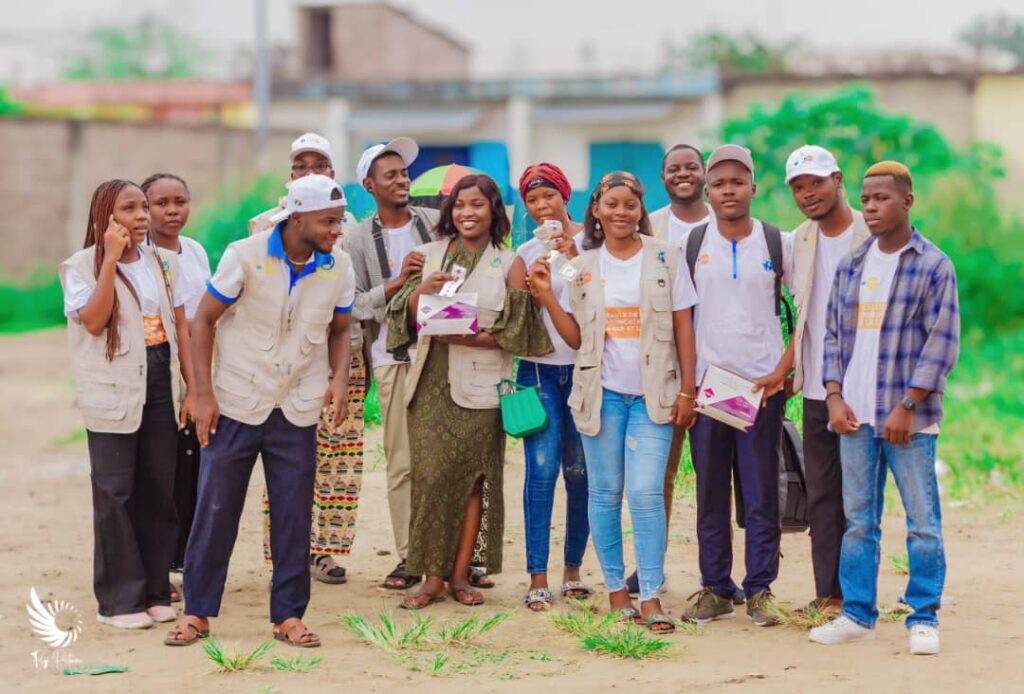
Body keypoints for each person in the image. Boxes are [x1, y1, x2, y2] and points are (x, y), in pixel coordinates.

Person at [164, 174, 354, 648]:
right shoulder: (245, 255)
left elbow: (341, 330)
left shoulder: (339, 266)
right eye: (328, 221)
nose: (336, 230)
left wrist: (337, 380)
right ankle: (197, 613)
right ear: (298, 217)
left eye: (339, 220)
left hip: (297, 405)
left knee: (294, 514)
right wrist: (202, 392)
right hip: (236, 401)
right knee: (216, 508)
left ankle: (288, 616)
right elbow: (202, 319)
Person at [529, 171, 698, 633]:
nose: (621, 211)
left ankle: (651, 594)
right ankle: (616, 592)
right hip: (600, 395)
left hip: (653, 395)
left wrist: (688, 389)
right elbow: (578, 337)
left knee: (645, 493)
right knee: (604, 494)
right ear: (597, 212)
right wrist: (546, 296)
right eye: (611, 204)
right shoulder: (583, 265)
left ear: (640, 210)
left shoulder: (666, 256)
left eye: (630, 204)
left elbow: (684, 324)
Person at [810, 161, 959, 656]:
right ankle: (857, 614)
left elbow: (942, 343)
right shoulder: (852, 265)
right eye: (867, 199)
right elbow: (831, 336)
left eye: (882, 199)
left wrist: (908, 404)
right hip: (853, 416)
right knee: (859, 520)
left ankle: (922, 617)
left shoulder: (933, 265)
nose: (871, 208)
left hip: (907, 420)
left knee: (921, 521)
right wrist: (833, 396)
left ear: (907, 202)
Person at [387, 174, 552, 610]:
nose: (467, 213)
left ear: (493, 210)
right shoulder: (427, 254)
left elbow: (519, 333)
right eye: (460, 205)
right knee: (431, 480)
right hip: (429, 385)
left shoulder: (509, 262)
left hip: (481, 389)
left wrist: (469, 337)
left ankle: (461, 577)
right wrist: (421, 292)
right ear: (449, 211)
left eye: (477, 204)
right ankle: (430, 577)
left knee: (474, 484)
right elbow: (397, 317)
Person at [59, 179, 195, 629]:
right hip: (112, 386)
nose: (142, 216)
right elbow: (95, 322)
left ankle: (156, 591)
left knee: (159, 489)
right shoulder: (79, 266)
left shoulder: (160, 260)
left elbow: (178, 324)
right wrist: (110, 260)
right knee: (116, 493)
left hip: (160, 377)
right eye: (130, 208)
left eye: (143, 207)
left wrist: (192, 388)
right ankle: (119, 601)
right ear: (106, 216)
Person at [681, 145, 794, 627]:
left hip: (760, 390)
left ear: (753, 186)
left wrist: (785, 369)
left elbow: (808, 310)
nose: (729, 191)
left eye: (737, 181)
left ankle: (761, 588)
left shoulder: (778, 242)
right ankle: (715, 588)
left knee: (761, 491)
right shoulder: (690, 244)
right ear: (709, 191)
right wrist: (688, 387)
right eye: (720, 183)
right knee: (710, 493)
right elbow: (681, 318)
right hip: (709, 391)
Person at [252, 133, 362, 586]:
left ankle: (326, 553)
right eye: (301, 165)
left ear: (334, 173)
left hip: (342, 354)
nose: (310, 170)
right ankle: (286, 551)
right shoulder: (263, 225)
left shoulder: (352, 227)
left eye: (320, 163)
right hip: (285, 362)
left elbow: (351, 304)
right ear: (291, 174)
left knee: (340, 456)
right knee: (285, 456)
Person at [341, 138, 439, 590]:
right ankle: (409, 556)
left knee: (447, 461)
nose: (402, 181)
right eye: (391, 175)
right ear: (369, 185)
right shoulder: (356, 239)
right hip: (393, 358)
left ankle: (455, 559)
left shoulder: (437, 224)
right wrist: (399, 283)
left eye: (404, 173)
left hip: (443, 354)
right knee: (401, 463)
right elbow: (353, 304)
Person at [783, 146, 870, 614]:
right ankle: (829, 594)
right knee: (821, 497)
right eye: (798, 186)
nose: (808, 193)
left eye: (816, 182)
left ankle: (860, 595)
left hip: (866, 390)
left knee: (860, 498)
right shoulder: (798, 241)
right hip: (818, 389)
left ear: (838, 179)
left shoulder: (872, 231)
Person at [628, 143, 712, 598]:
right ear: (662, 177)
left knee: (715, 477)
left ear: (704, 173)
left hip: (720, 364)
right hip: (661, 368)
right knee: (657, 474)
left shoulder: (723, 220)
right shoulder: (650, 225)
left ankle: (714, 576)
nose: (683, 174)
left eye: (691, 167)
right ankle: (648, 570)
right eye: (674, 169)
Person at [511, 162, 590, 611]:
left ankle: (573, 571)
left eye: (549, 197)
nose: (543, 207)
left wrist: (573, 258)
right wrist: (527, 284)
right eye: (533, 201)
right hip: (537, 371)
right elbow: (514, 317)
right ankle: (537, 576)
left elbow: (596, 296)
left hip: (585, 370)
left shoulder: (593, 243)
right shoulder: (525, 252)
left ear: (565, 196)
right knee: (541, 471)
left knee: (580, 471)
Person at [141, 173, 211, 597]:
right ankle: (157, 568)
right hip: (165, 370)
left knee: (193, 471)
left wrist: (203, 381)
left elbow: (205, 315)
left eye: (180, 201)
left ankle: (182, 562)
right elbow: (178, 324)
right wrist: (189, 383)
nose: (172, 211)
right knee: (161, 470)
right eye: (160, 203)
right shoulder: (142, 257)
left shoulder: (197, 251)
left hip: (203, 368)